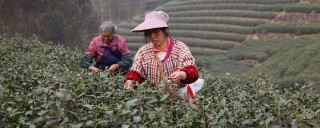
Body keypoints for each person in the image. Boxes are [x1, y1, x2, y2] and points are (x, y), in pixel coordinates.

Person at [123, 11, 199, 93]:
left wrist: (182, 74)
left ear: (165, 30)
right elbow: (135, 72)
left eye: (156, 31)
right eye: (148, 33)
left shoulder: (180, 48)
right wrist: (130, 81)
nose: (152, 36)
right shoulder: (143, 52)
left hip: (179, 100)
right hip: (155, 99)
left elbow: (192, 72)